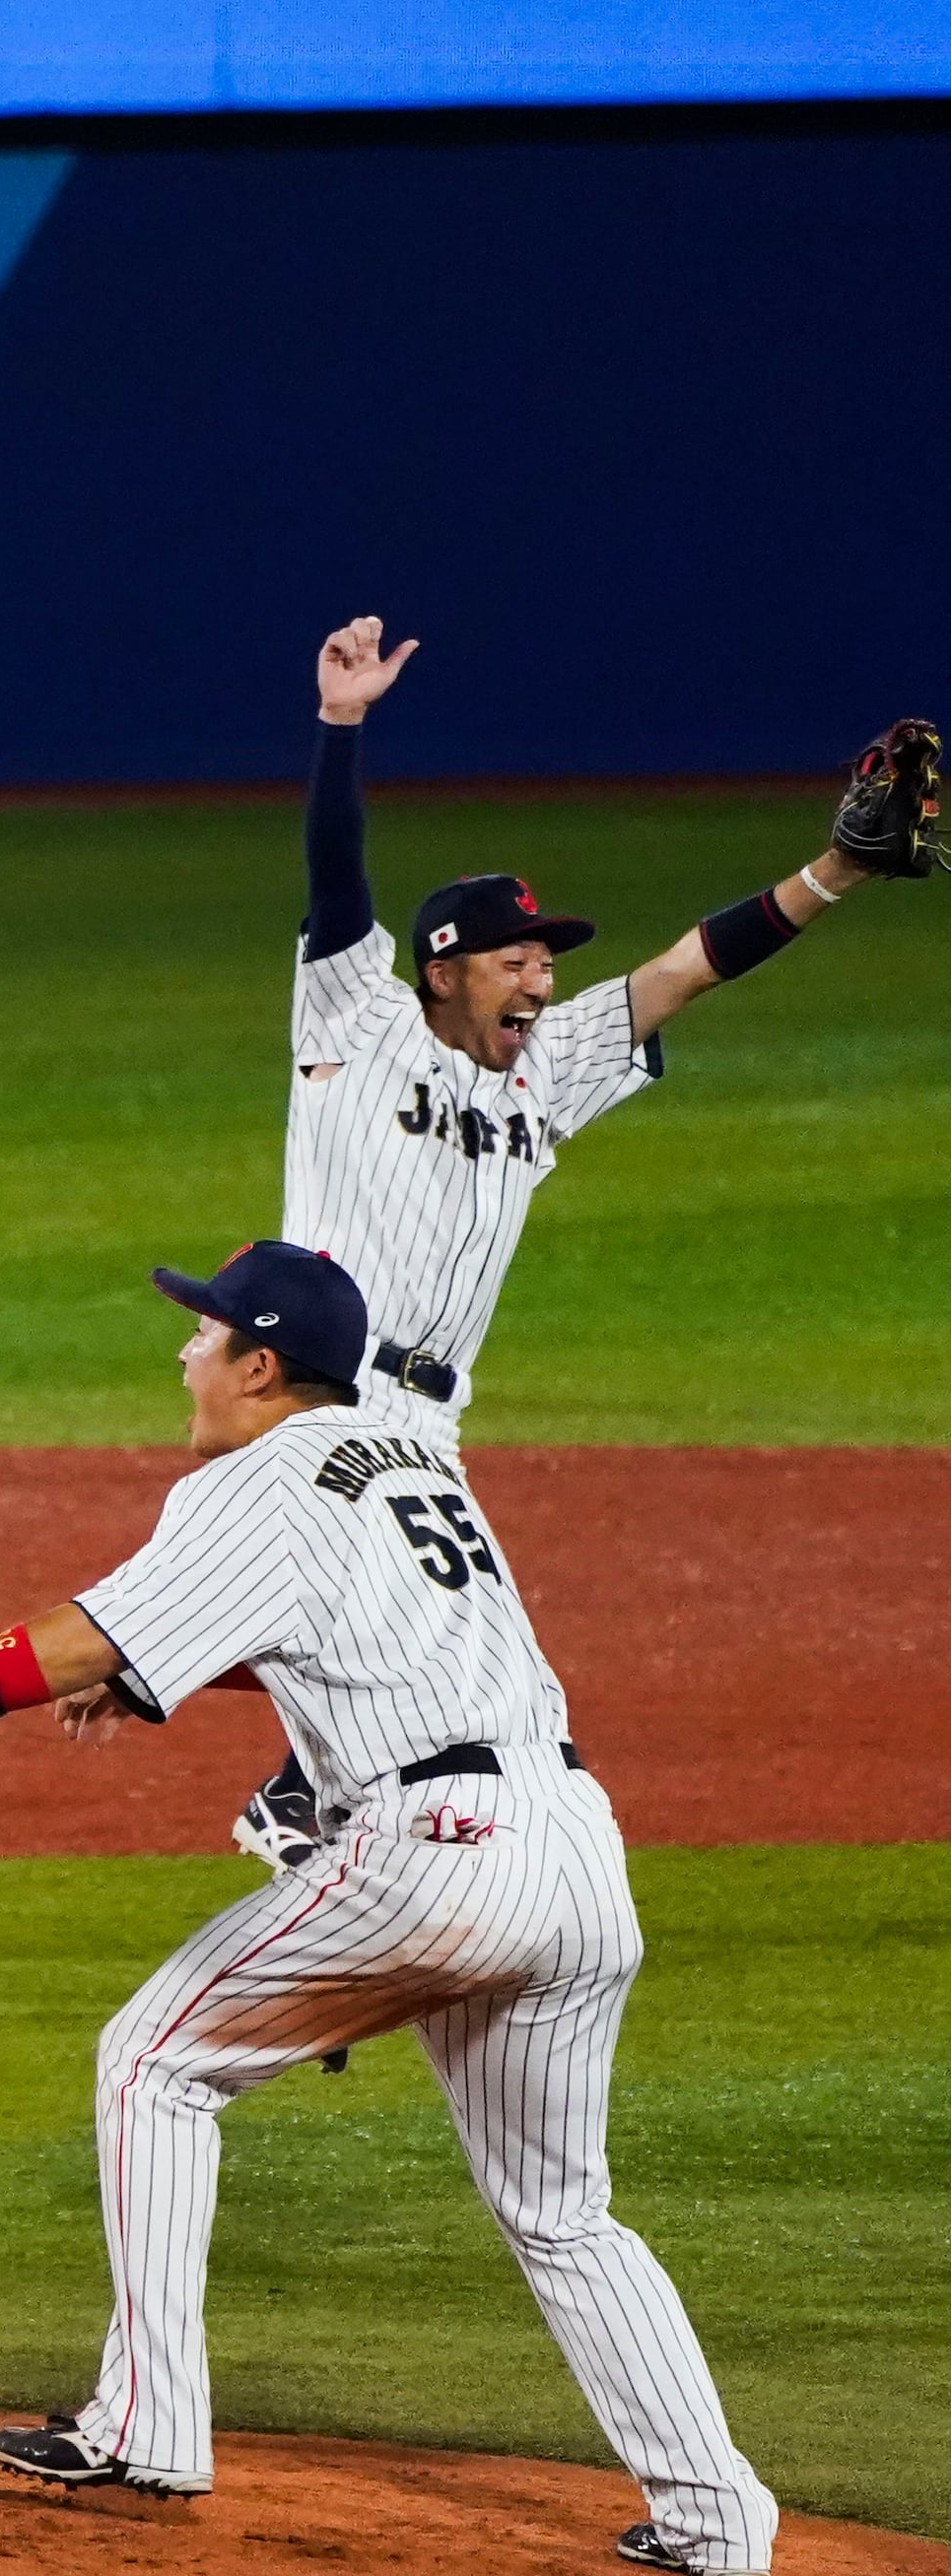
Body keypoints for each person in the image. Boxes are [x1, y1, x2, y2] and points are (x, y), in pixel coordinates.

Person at [0, 1241, 779, 2576]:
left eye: (199, 1332)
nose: (180, 1354)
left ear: (258, 1365)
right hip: (577, 1856)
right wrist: (152, 1673)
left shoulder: (257, 1478)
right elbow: (345, 1635)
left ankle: (148, 2424)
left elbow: (81, 1631)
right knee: (564, 2213)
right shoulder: (414, 1461)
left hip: (440, 1859)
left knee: (154, 2059)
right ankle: (720, 2516)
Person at [238, 630, 927, 1865]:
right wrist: (338, 727)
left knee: (401, 1616)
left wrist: (833, 871)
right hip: (318, 1392)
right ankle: (295, 1786)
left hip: (430, 1413)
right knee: (406, 1613)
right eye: (516, 960)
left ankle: (304, 1790)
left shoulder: (543, 1072)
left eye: (547, 960)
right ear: (443, 970)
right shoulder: (353, 1017)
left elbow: (683, 968)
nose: (541, 983)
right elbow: (334, 876)